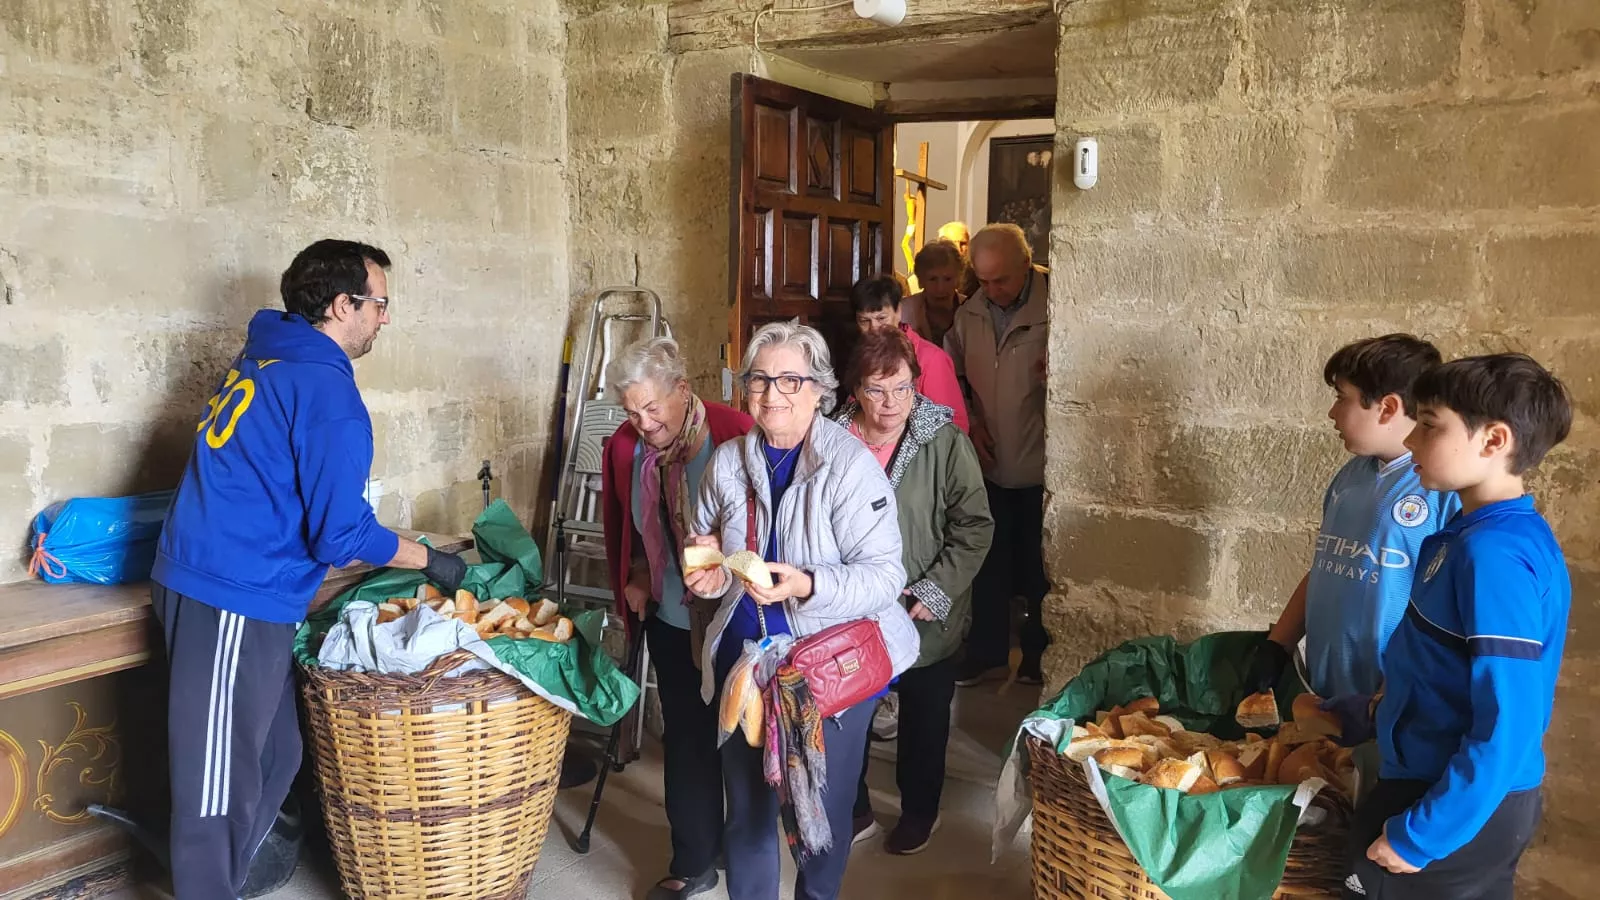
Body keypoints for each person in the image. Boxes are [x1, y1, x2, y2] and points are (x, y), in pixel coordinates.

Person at [150, 240, 470, 900]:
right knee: (218, 784)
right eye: (379, 304)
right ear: (340, 305)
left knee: (275, 758)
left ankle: (223, 883)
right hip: (228, 593)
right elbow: (339, 532)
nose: (385, 318)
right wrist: (428, 559)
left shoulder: (268, 355)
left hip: (253, 592)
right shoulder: (323, 387)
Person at [685, 320, 919, 900]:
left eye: (791, 380)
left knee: (821, 821)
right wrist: (707, 574)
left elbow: (886, 576)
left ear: (819, 390)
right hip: (747, 662)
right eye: (760, 379)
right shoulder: (727, 463)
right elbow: (704, 544)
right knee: (749, 813)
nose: (772, 394)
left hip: (829, 668)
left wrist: (807, 582)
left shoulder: (849, 467)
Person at [1333, 353, 1573, 900]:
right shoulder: (1464, 537)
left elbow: (1509, 722)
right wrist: (1366, 711)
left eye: (1431, 425)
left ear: (1494, 441)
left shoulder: (1495, 556)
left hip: (1453, 803)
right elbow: (1435, 667)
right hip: (1433, 783)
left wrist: (1422, 836)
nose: (1412, 440)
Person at [599, 337, 753, 900]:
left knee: (742, 738)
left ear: (683, 392)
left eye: (653, 408)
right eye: (632, 412)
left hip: (737, 617)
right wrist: (636, 577)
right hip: (669, 612)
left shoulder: (735, 432)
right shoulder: (623, 447)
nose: (643, 423)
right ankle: (693, 857)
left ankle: (747, 851)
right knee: (686, 738)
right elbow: (628, 525)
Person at [833, 330, 993, 855]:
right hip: (852, 604)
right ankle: (854, 808)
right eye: (877, 391)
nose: (891, 404)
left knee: (924, 718)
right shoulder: (832, 437)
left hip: (921, 603)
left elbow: (974, 526)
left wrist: (940, 587)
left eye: (902, 389)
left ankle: (920, 811)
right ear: (855, 390)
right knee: (848, 710)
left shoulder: (942, 440)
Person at [1249, 335, 1461, 701]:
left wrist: (1395, 691)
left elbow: (1450, 608)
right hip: (1323, 690)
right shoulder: (1349, 478)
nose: (1332, 413)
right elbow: (1328, 563)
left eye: (1341, 398)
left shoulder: (1441, 491)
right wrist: (1278, 644)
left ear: (1387, 407)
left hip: (1388, 701)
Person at [944, 223, 1049, 687]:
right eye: (983, 281)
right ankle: (986, 652)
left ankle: (1038, 655)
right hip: (986, 460)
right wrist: (972, 421)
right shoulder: (971, 313)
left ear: (1026, 265)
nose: (992, 290)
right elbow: (953, 378)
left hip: (1042, 461)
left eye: (1001, 280)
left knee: (1041, 565)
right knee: (986, 561)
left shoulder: (1058, 307)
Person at [849, 275, 968, 434]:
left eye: (881, 318)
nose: (874, 329)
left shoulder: (932, 359)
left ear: (898, 311)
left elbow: (955, 427)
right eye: (864, 321)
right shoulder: (862, 355)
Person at [898, 240, 966, 348]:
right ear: (921, 281)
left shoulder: (972, 310)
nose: (940, 288)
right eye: (933, 279)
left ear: (958, 280)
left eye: (948, 279)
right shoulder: (904, 311)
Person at [935, 221, 980, 299]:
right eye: (952, 243)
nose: (959, 249)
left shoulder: (979, 274)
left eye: (963, 243)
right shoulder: (926, 273)